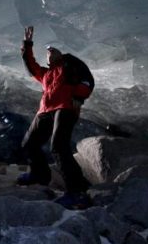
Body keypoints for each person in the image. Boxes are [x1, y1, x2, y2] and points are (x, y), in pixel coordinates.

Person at [17, 25, 93, 209]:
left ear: (61, 54)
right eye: (48, 52)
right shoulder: (46, 73)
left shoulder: (70, 65)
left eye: (53, 50)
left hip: (65, 108)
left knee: (58, 147)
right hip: (45, 110)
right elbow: (31, 65)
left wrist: (78, 97)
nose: (49, 52)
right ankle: (39, 174)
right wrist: (27, 44)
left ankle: (77, 191)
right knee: (28, 144)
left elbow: (87, 80)